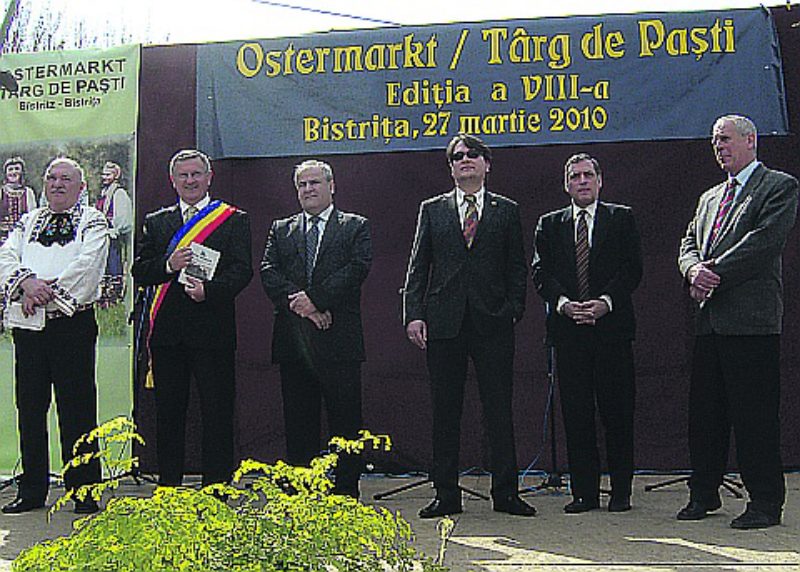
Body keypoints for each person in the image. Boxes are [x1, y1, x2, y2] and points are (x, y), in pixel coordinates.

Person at [403, 133, 535, 518]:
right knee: (446, 412)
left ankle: (506, 494)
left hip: (493, 322)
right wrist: (413, 314)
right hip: (444, 323)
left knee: (499, 410)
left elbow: (517, 268)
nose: (465, 160)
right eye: (457, 156)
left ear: (486, 164)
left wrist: (512, 309)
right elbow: (418, 267)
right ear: (451, 167)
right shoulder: (432, 209)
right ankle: (446, 494)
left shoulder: (506, 210)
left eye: (472, 155)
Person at [677, 114, 798, 529]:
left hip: (752, 323)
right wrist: (693, 270)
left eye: (725, 139)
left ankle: (764, 502)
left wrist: (713, 274)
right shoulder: (710, 197)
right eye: (714, 142)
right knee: (705, 415)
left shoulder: (778, 186)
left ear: (750, 140)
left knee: (754, 417)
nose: (719, 147)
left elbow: (763, 242)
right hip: (710, 322)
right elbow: (688, 241)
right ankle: (704, 494)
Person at [131, 149, 252, 487]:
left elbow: (242, 271)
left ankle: (216, 488)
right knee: (169, 415)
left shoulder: (232, 219)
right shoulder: (158, 222)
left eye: (196, 174)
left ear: (209, 177)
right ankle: (169, 487)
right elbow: (140, 270)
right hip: (168, 337)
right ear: (173, 181)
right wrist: (169, 265)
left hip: (212, 333)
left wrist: (208, 292)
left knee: (217, 413)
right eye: (183, 175)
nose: (190, 181)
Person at [531, 153, 643, 513]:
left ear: (600, 180)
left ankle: (621, 491)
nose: (582, 181)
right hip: (569, 334)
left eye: (588, 175)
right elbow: (540, 273)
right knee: (577, 416)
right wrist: (564, 303)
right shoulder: (550, 224)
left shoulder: (621, 218)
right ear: (567, 185)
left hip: (611, 331)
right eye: (575, 176)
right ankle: (584, 493)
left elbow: (632, 269)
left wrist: (605, 302)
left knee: (617, 413)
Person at [0, 157, 109, 514]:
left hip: (71, 326)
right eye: (51, 178)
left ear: (80, 187)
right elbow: (5, 258)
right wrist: (26, 285)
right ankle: (31, 490)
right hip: (29, 329)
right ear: (44, 184)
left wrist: (46, 295)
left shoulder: (93, 220)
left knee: (77, 409)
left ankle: (84, 490)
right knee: (30, 409)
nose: (57, 184)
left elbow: (88, 266)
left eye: (66, 179)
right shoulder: (26, 221)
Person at [261, 160, 371, 498]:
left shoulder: (354, 226)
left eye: (314, 183)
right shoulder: (282, 229)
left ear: (331, 185)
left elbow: (357, 269)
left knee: (345, 423)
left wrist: (316, 300)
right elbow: (269, 271)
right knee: (299, 423)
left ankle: (346, 493)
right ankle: (304, 493)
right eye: (302, 185)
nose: (308, 190)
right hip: (295, 344)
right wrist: (306, 309)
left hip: (339, 342)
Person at [96, 161, 133, 307]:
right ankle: (102, 296)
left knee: (113, 263)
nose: (104, 177)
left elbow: (123, 216)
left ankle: (114, 296)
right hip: (102, 235)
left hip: (112, 235)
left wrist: (115, 229)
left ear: (116, 176)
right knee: (102, 264)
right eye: (103, 174)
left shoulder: (119, 193)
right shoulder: (104, 193)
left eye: (108, 174)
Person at [1, 157, 38, 245]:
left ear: (22, 172)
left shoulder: (28, 192)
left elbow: (33, 217)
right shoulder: (1, 192)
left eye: (17, 169)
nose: (13, 172)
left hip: (22, 237)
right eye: (10, 169)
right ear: (6, 173)